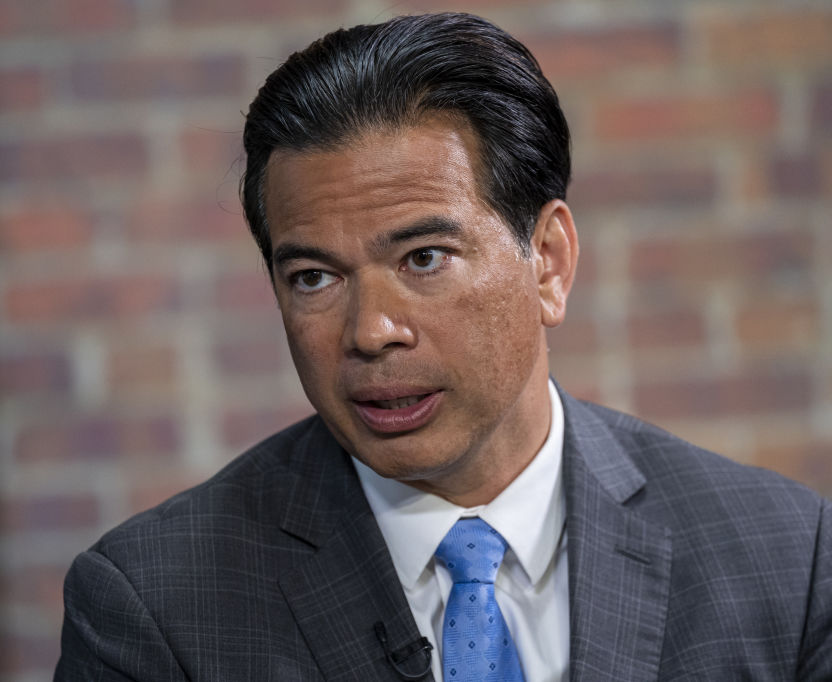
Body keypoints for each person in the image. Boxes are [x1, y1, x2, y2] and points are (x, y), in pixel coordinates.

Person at [54, 13, 831, 681]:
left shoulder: (787, 561)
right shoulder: (157, 606)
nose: (370, 331)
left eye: (424, 258)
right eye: (314, 277)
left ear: (548, 262)